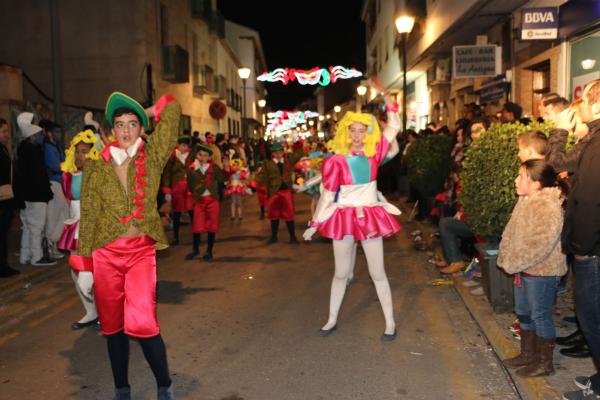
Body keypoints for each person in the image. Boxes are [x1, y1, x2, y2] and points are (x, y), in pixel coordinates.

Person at [79, 92, 180, 400]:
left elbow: (173, 109)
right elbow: (89, 216)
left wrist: (147, 110)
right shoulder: (96, 168)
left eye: (132, 124)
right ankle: (122, 387)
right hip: (105, 254)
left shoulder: (152, 158)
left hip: (139, 253)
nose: (125, 131)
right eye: (119, 124)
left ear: (140, 129)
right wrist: (85, 265)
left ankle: (164, 383)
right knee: (112, 326)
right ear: (112, 130)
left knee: (145, 322)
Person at [303, 92, 401, 341]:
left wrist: (389, 101)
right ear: (345, 133)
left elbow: (395, 125)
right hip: (344, 217)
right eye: (352, 130)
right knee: (340, 273)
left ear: (368, 133)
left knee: (377, 273)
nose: (357, 136)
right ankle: (332, 318)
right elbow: (327, 196)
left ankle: (390, 323)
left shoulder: (374, 153)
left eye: (361, 131)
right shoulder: (335, 161)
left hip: (369, 216)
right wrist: (315, 224)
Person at [498, 159, 567, 377]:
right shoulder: (525, 200)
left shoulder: (548, 205)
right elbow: (510, 231)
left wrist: (513, 263)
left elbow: (541, 244)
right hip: (523, 269)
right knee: (524, 313)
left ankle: (545, 363)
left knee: (540, 316)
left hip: (542, 273)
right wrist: (506, 257)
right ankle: (528, 354)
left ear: (537, 183)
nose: (515, 180)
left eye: (521, 176)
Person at [561, 80, 600, 400]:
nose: (581, 106)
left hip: (594, 252)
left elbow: (589, 201)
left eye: (585, 101)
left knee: (593, 321)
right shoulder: (594, 140)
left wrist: (582, 250)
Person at [58, 129, 102, 330]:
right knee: (77, 271)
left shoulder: (100, 173)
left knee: (99, 271)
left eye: (84, 151)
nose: (79, 156)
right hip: (75, 227)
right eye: (77, 151)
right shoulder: (68, 175)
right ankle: (91, 312)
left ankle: (107, 312)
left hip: (96, 226)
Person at [14, 112, 56, 266]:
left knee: (27, 227)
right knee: (37, 227)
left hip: (27, 196)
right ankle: (36, 257)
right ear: (31, 136)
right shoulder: (33, 152)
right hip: (36, 195)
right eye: (39, 134)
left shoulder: (23, 150)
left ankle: (24, 255)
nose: (41, 136)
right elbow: (37, 176)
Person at [185, 144, 226, 261]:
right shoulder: (192, 168)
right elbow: (190, 185)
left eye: (205, 155)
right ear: (196, 155)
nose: (202, 158)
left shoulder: (214, 168)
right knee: (197, 226)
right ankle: (195, 249)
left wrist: (227, 169)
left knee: (211, 227)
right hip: (199, 200)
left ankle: (209, 251)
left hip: (212, 200)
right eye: (200, 155)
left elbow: (223, 179)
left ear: (209, 157)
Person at [257, 142, 304, 244]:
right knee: (274, 215)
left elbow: (299, 154)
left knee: (290, 215)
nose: (278, 154)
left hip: (286, 192)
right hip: (274, 193)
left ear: (283, 152)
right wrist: (251, 186)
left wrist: (299, 146)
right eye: (275, 153)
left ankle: (293, 237)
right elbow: (261, 177)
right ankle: (274, 237)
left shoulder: (288, 161)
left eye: (280, 152)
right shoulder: (267, 164)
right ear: (272, 154)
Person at [40, 119, 69, 261]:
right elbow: (57, 166)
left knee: (62, 214)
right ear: (50, 133)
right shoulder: (48, 148)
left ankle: (54, 243)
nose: (60, 134)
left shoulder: (55, 146)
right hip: (53, 183)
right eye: (56, 132)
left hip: (59, 183)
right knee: (54, 215)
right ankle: (51, 243)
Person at [161, 135, 194, 245]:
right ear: (178, 145)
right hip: (177, 188)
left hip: (189, 187)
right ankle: (176, 238)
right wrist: (167, 191)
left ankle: (196, 235)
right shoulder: (172, 156)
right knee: (177, 213)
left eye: (187, 146)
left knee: (192, 211)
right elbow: (166, 174)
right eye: (183, 145)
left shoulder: (192, 156)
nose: (185, 148)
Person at [0, 118, 18, 277]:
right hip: (1, 199)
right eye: (4, 131)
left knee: (4, 233)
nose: (7, 135)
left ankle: (4, 265)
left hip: (6, 199)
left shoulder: (3, 149)